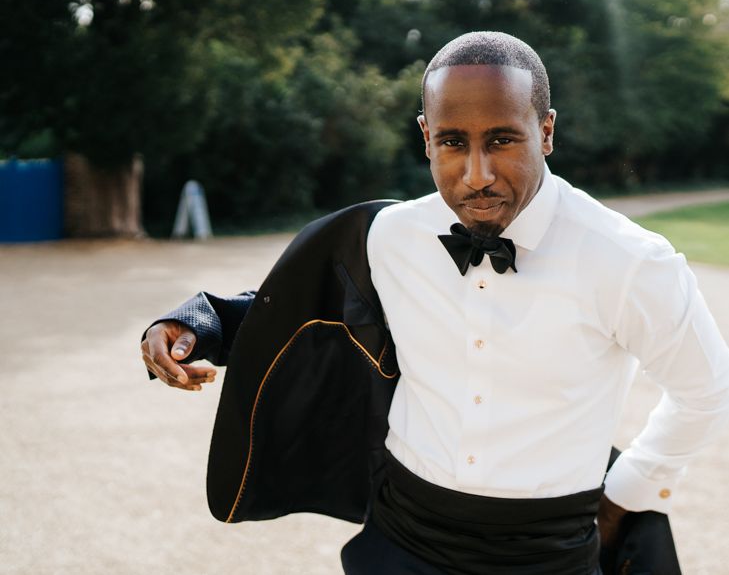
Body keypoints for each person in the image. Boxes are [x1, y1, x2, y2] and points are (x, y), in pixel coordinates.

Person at [141, 31, 729, 574]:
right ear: (426, 136)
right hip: (401, 535)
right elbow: (292, 309)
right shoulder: (390, 236)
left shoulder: (632, 263)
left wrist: (627, 492)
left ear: (546, 131)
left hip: (549, 550)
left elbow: (707, 390)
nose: (477, 176)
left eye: (502, 140)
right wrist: (194, 323)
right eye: (453, 143)